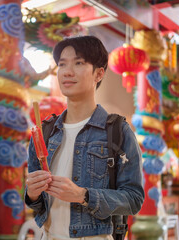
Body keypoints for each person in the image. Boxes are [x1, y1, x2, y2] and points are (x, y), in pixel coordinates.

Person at [25, 36, 145, 240]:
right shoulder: (46, 132)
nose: (67, 71)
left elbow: (133, 199)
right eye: (62, 64)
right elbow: (36, 202)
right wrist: (32, 194)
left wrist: (84, 196)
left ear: (99, 73)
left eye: (78, 63)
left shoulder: (117, 131)